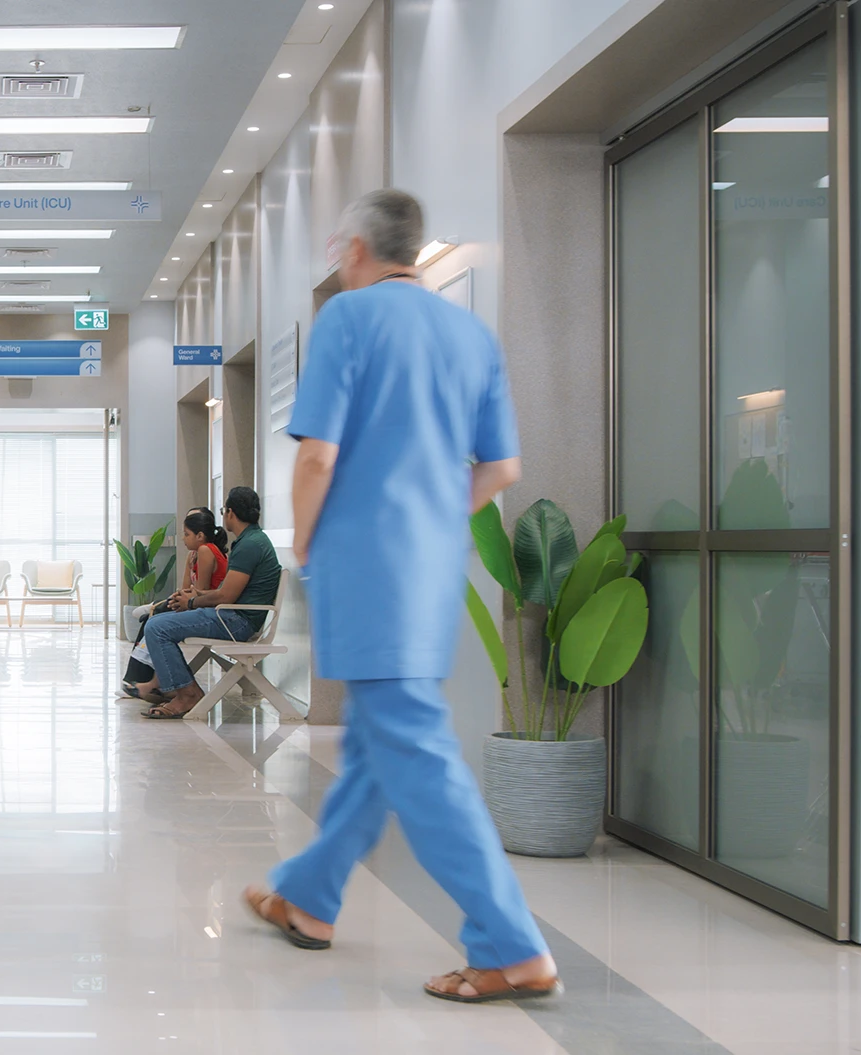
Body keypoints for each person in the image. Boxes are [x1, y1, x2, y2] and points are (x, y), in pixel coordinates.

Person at [243, 188, 559, 1004]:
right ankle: (308, 896)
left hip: (365, 561)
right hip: (429, 566)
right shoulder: (471, 333)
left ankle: (511, 943)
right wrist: (432, 513)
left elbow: (317, 456)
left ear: (354, 249)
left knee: (411, 744)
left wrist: (308, 536)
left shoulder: (349, 321)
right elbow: (501, 469)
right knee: (382, 737)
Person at [133, 487, 282, 717]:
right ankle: (182, 689)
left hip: (237, 621)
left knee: (157, 627)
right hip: (233, 615)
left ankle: (187, 694)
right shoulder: (250, 541)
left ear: (230, 513)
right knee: (159, 622)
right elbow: (225, 592)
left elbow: (226, 596)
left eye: (224, 511)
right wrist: (193, 597)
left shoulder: (250, 544)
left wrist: (192, 602)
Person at [120, 507, 229, 694]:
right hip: (199, 604)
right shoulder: (194, 554)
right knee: (151, 619)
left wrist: (177, 600)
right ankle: (144, 679)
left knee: (155, 620)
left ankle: (144, 680)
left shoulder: (206, 550)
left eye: (186, 534)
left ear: (200, 535)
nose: (183, 538)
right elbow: (186, 589)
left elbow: (200, 592)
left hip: (209, 609)